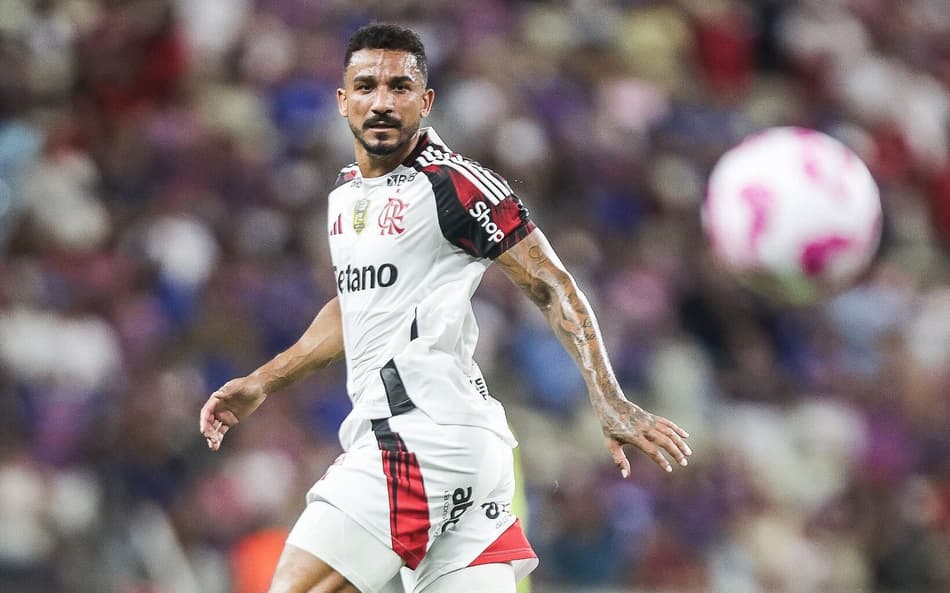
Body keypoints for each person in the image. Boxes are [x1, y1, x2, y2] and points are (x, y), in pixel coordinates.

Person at [199, 23, 692, 593]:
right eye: (366, 86)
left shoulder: (455, 183)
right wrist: (263, 382)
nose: (381, 102)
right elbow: (358, 307)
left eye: (399, 87)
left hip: (420, 438)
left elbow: (551, 285)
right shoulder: (344, 195)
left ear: (426, 100)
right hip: (462, 454)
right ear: (342, 101)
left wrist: (609, 399)